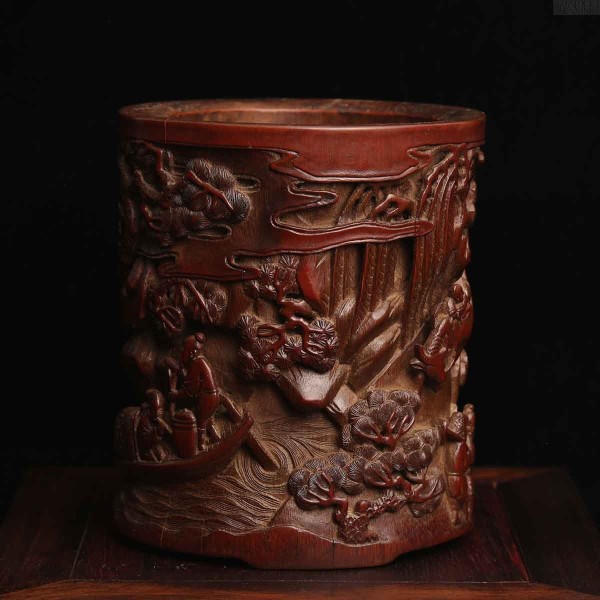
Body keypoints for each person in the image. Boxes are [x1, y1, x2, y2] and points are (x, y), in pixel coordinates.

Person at [168, 333, 220, 449]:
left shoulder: (196, 363)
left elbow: (191, 389)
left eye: (184, 351)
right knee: (207, 418)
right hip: (214, 396)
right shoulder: (202, 360)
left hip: (207, 398)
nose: (182, 354)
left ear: (191, 352)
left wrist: (177, 395)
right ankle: (215, 437)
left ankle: (201, 446)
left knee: (201, 421)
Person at [137, 389, 173, 462]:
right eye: (154, 408)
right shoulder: (144, 417)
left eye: (160, 410)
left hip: (157, 444)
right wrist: (158, 431)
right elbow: (145, 439)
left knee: (163, 455)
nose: (157, 413)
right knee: (156, 457)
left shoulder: (164, 416)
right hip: (148, 447)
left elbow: (169, 432)